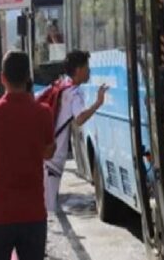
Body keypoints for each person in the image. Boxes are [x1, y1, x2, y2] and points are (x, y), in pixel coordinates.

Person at [0, 51, 55, 260]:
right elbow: (48, 151)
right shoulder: (43, 112)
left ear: (2, 78)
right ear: (28, 77)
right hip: (33, 213)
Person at [43, 50, 108, 214]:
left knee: (45, 205)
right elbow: (79, 118)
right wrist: (98, 103)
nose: (89, 71)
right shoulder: (74, 93)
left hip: (45, 156)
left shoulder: (61, 85)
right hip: (53, 159)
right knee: (48, 210)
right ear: (78, 70)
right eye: (87, 67)